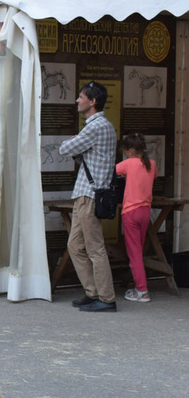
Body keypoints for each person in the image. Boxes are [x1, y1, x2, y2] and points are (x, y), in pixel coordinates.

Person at [59, 81, 118, 312]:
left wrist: (72, 141)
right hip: (85, 193)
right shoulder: (101, 126)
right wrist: (76, 142)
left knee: (95, 248)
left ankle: (106, 298)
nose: (77, 100)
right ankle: (92, 292)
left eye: (81, 96)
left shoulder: (95, 127)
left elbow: (65, 149)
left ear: (92, 102)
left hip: (89, 195)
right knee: (75, 245)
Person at [116, 133, 156, 303]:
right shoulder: (151, 164)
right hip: (146, 211)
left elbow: (112, 172)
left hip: (131, 212)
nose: (125, 154)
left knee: (134, 254)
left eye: (125, 151)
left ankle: (142, 290)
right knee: (138, 250)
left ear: (131, 150)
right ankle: (140, 287)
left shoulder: (128, 163)